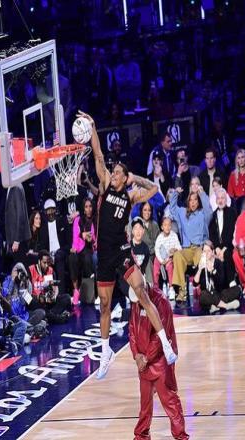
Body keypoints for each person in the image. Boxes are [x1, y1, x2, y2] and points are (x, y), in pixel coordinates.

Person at [78, 110, 177, 380]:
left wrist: (136, 177)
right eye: (113, 172)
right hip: (104, 254)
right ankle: (105, 352)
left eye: (118, 172)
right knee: (105, 305)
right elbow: (98, 154)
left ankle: (166, 344)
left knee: (142, 293)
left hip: (122, 251)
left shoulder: (131, 196)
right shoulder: (105, 185)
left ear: (124, 177)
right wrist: (93, 126)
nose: (113, 174)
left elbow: (154, 189)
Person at [129, 280, 188, 440]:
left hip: (160, 361)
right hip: (143, 361)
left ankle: (180, 436)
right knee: (145, 404)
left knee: (170, 401)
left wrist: (146, 358)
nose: (137, 304)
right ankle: (141, 436)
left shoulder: (161, 302)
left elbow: (160, 336)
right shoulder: (136, 299)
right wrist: (136, 355)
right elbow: (132, 329)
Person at [170, 186, 213, 303]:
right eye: (191, 200)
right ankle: (182, 291)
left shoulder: (202, 214)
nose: (193, 202)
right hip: (187, 249)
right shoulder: (182, 212)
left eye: (195, 200)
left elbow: (209, 211)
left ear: (198, 202)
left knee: (201, 255)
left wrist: (202, 193)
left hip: (199, 247)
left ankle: (202, 288)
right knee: (178, 255)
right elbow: (172, 208)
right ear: (188, 202)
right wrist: (175, 193)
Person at [194, 241, 241, 313]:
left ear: (213, 252)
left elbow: (221, 283)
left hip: (219, 292)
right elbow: (195, 283)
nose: (206, 253)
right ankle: (226, 306)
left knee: (237, 289)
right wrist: (200, 269)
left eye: (208, 251)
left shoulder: (218, 263)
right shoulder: (201, 264)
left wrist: (213, 271)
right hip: (208, 293)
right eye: (204, 251)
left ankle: (215, 306)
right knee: (202, 296)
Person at [39, 199, 71, 298]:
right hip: (48, 254)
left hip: (61, 253)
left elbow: (69, 242)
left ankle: (62, 295)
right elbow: (42, 246)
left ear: (55, 210)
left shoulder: (62, 221)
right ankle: (50, 295)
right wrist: (48, 255)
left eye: (52, 210)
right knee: (46, 263)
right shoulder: (43, 227)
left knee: (59, 259)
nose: (51, 213)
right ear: (45, 212)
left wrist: (58, 253)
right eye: (48, 210)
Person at [68, 198, 96, 305]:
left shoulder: (94, 220)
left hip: (88, 248)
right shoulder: (78, 220)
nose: (89, 209)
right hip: (78, 248)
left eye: (90, 206)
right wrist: (81, 237)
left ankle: (88, 293)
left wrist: (90, 239)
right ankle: (76, 290)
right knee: (72, 258)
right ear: (83, 209)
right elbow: (75, 236)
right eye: (86, 207)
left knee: (88, 259)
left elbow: (94, 237)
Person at [209, 188, 237, 287]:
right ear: (216, 200)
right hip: (217, 247)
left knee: (228, 254)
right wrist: (217, 248)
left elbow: (232, 232)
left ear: (226, 199)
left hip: (229, 245)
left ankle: (231, 281)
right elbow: (212, 234)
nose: (220, 200)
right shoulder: (213, 215)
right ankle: (217, 285)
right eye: (218, 198)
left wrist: (224, 249)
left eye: (222, 198)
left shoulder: (232, 212)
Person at [153, 216, 182, 298]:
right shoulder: (160, 237)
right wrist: (161, 260)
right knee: (155, 263)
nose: (167, 227)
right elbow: (156, 250)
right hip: (161, 257)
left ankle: (171, 288)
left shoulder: (174, 235)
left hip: (170, 257)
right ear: (162, 227)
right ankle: (156, 288)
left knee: (170, 267)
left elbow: (179, 247)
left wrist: (175, 250)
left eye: (169, 225)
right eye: (165, 225)